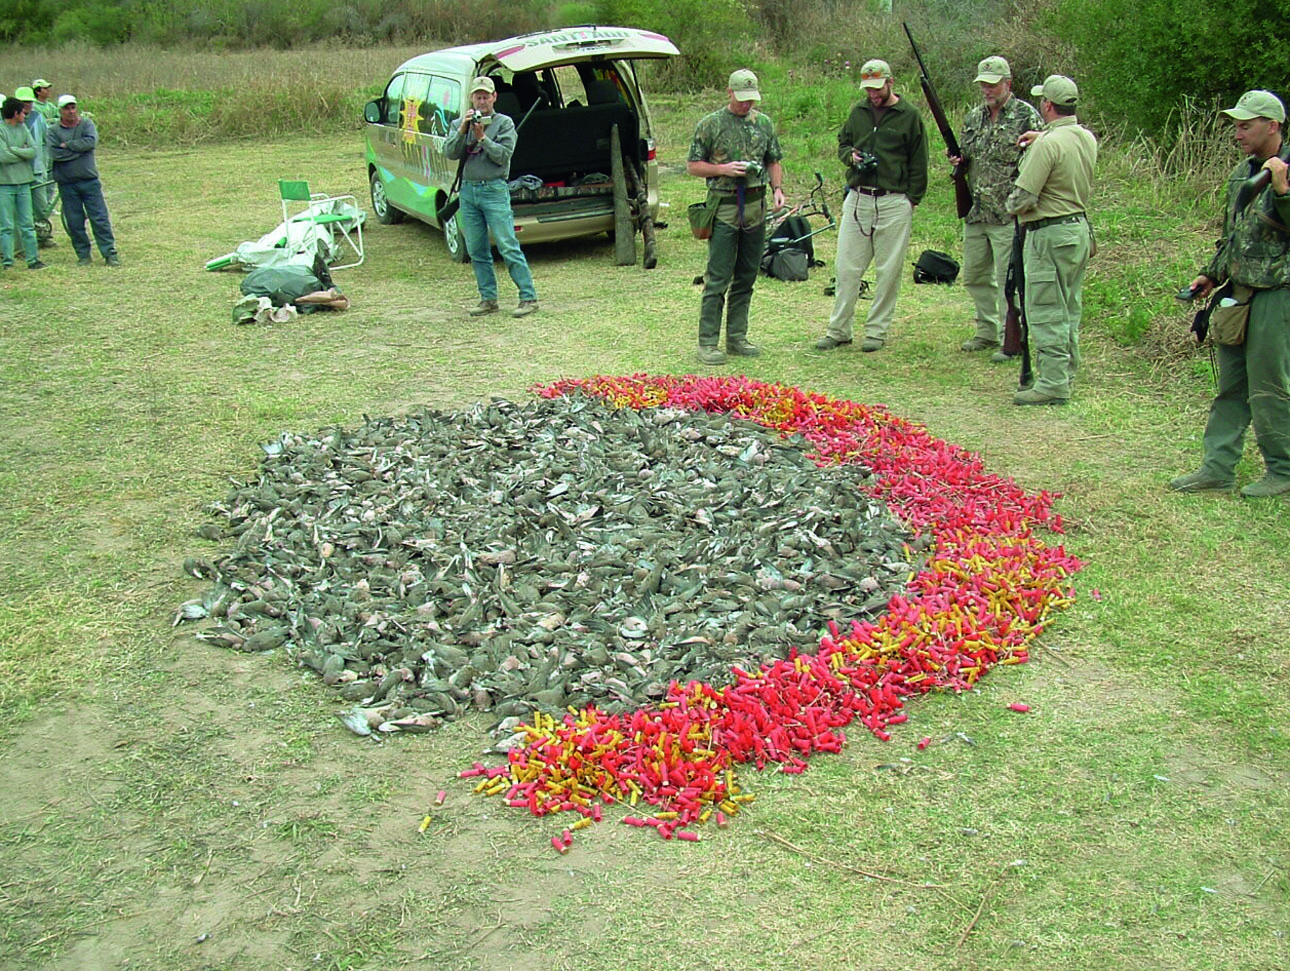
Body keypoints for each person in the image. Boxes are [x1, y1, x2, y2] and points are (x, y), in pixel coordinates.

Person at [1170, 90, 1290, 498]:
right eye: (1235, 125)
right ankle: (1217, 468)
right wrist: (1210, 275)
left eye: (1245, 125)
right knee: (1231, 386)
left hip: (1278, 291)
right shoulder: (1244, 172)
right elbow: (1233, 237)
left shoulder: (1287, 169)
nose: (1237, 133)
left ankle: (1283, 469)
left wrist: (1283, 189)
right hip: (1238, 291)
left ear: (1272, 126)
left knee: (1270, 385)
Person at [815, 59, 928, 353]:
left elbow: (919, 161)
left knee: (888, 270)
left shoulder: (909, 116)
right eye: (868, 89)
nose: (873, 95)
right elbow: (843, 142)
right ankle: (839, 329)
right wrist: (849, 157)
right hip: (858, 197)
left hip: (893, 200)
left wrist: (911, 199)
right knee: (846, 267)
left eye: (877, 88)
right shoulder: (859, 112)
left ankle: (877, 331)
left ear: (890, 83)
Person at [1004, 75, 1096, 405]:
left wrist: (1009, 203)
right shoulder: (1085, 137)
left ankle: (1054, 381)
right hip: (1077, 230)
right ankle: (1066, 371)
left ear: (1047, 105)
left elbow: (1022, 198)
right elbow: (1063, 144)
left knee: (1046, 307)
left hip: (1048, 233)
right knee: (1069, 304)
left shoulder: (1047, 144)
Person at [686, 68, 785, 364]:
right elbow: (693, 165)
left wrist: (778, 188)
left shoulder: (763, 123)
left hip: (756, 204)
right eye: (741, 99)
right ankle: (707, 342)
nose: (746, 105)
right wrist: (723, 169)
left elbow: (773, 160)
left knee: (747, 275)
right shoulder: (711, 124)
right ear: (729, 93)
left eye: (751, 100)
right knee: (718, 277)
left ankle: (737, 337)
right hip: (725, 205)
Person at [954, 57, 1041, 357]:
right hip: (977, 211)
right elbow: (967, 156)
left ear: (1008, 83)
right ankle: (986, 331)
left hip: (1008, 214)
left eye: (992, 84)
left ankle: (1012, 336)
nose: (987, 90)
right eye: (983, 85)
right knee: (975, 276)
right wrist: (958, 163)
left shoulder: (1026, 116)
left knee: (1009, 280)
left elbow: (1041, 160)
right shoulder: (974, 117)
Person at [442, 76, 538, 318]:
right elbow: (450, 152)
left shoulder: (504, 124)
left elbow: (503, 156)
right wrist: (464, 130)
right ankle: (488, 299)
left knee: (507, 244)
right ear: (471, 98)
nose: (482, 101)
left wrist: (482, 137)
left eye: (486, 96)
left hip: (494, 189)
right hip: (468, 191)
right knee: (476, 249)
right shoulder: (458, 124)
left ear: (494, 97)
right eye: (478, 96)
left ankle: (528, 297)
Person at [47, 94, 119, 266]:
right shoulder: (53, 131)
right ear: (60, 111)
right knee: (74, 221)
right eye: (66, 108)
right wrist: (79, 148)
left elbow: (91, 142)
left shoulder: (87, 124)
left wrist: (69, 145)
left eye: (73, 107)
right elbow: (55, 153)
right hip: (67, 183)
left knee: (100, 218)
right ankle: (83, 255)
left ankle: (109, 254)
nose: (71, 111)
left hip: (89, 180)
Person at [1, 96, 45, 270]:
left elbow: (34, 150)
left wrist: (13, 149)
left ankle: (33, 259)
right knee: (6, 226)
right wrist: (22, 151)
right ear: (15, 113)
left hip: (24, 182)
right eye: (22, 112)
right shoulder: (1, 130)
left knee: (27, 224)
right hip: (4, 184)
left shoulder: (23, 128)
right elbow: (2, 156)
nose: (25, 116)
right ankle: (7, 261)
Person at [14, 85, 55, 248]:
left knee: (41, 207)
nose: (28, 105)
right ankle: (23, 243)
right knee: (21, 210)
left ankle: (43, 237)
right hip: (18, 172)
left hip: (37, 169)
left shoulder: (38, 117)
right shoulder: (10, 120)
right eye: (24, 102)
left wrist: (47, 162)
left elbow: (46, 140)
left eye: (30, 102)